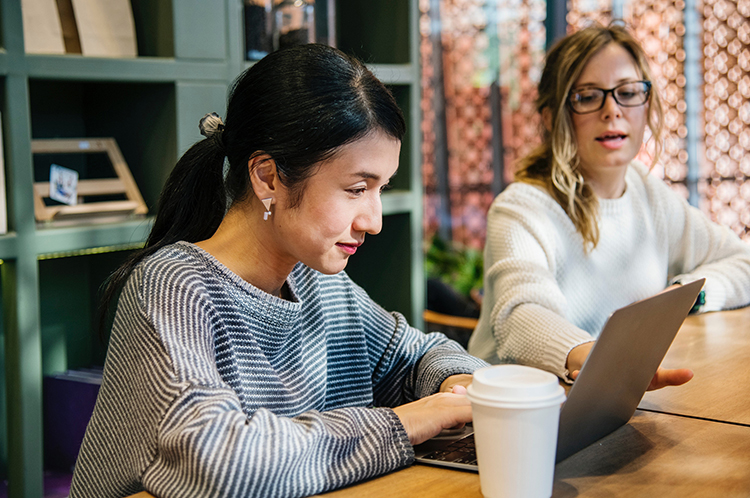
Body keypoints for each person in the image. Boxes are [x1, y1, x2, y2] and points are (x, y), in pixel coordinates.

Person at [70, 44, 488, 498]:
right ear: (267, 176)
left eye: (381, 188)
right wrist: (403, 424)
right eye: (355, 189)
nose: (374, 220)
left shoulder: (316, 281)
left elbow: (414, 355)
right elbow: (216, 462)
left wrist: (459, 384)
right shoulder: (174, 286)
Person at [467, 23, 750, 387]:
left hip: (613, 401)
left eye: (628, 92)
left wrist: (686, 296)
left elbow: (742, 263)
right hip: (516, 418)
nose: (612, 110)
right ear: (553, 117)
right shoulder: (521, 209)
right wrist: (602, 361)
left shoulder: (648, 194)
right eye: (587, 96)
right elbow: (521, 317)